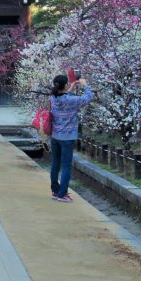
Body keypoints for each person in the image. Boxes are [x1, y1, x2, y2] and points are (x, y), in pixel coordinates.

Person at [49, 74, 93, 202]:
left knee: (55, 164)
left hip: (55, 136)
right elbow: (88, 98)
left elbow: (64, 95)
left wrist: (71, 87)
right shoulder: (71, 100)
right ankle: (63, 194)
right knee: (66, 166)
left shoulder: (53, 97)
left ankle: (55, 191)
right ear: (65, 85)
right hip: (67, 138)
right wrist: (85, 85)